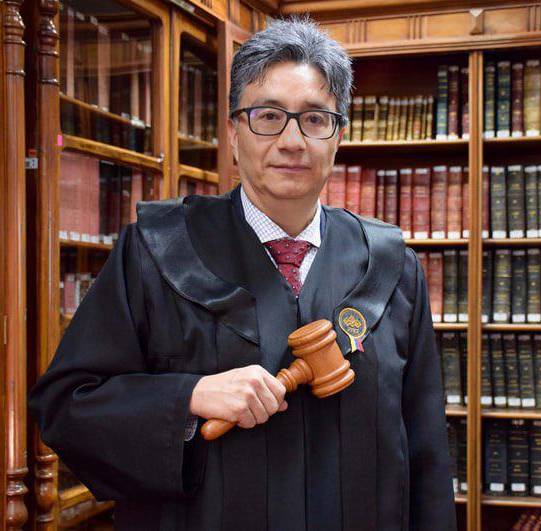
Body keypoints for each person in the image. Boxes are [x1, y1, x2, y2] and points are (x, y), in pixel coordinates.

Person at [29, 16, 456, 531]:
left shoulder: (389, 266)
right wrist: (188, 397)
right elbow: (67, 407)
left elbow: (426, 452)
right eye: (268, 116)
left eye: (315, 119)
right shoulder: (155, 251)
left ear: (338, 136)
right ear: (233, 132)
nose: (293, 140)